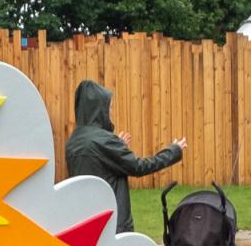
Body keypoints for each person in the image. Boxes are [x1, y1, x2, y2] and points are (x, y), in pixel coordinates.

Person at [64, 79, 185, 233]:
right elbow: (139, 167)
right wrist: (174, 151)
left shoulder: (74, 141)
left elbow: (98, 164)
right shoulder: (105, 142)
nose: (111, 112)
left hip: (85, 221)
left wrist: (117, 145)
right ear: (98, 110)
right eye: (109, 107)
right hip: (112, 223)